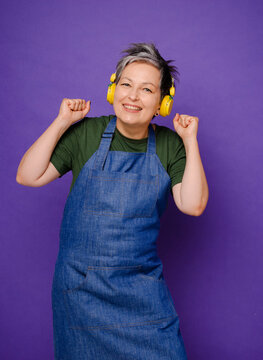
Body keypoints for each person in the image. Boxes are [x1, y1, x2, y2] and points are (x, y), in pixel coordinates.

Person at [16, 42, 209, 360]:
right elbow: (28, 175)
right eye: (126, 85)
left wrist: (190, 141)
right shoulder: (86, 133)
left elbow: (193, 204)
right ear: (113, 90)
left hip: (140, 291)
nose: (133, 96)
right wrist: (62, 121)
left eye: (146, 89)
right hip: (81, 292)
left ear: (162, 102)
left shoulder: (170, 145)